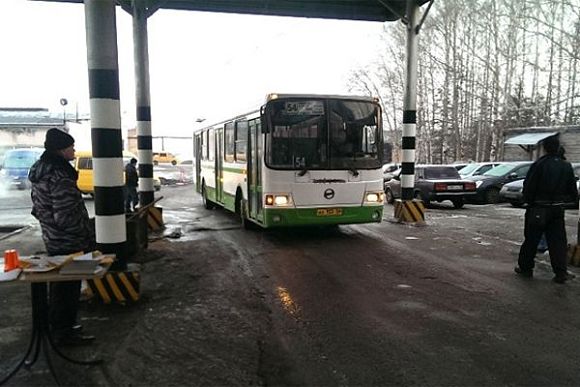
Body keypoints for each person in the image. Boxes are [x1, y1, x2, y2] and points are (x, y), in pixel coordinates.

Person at [28, 128, 96, 345]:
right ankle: (64, 333)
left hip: (53, 238)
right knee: (68, 288)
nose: (74, 150)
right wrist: (85, 234)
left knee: (59, 288)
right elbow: (65, 214)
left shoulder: (41, 170)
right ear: (61, 150)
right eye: (71, 147)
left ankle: (59, 326)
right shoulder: (59, 175)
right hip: (70, 240)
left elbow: (39, 208)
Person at [515, 136, 578, 284]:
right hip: (557, 209)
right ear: (557, 148)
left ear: (545, 148)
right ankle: (560, 273)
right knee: (557, 242)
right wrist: (564, 202)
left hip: (538, 208)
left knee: (531, 240)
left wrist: (528, 202)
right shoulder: (566, 166)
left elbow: (529, 186)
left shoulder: (539, 164)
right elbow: (572, 191)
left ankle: (525, 268)